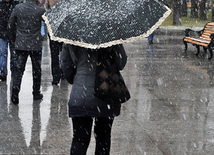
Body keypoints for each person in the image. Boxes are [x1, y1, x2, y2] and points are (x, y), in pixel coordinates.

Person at [62, 44, 128, 155]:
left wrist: (77, 79)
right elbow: (121, 63)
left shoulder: (72, 37)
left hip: (80, 95)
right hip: (106, 94)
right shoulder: (111, 35)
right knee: (103, 138)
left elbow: (66, 66)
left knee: (80, 139)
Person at [8, 0, 45, 104]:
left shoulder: (18, 8)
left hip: (21, 43)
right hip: (35, 45)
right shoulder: (40, 10)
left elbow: (10, 25)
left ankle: (15, 93)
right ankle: (36, 92)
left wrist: (13, 39)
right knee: (36, 70)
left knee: (18, 69)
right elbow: (48, 23)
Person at [0, 0, 19, 81]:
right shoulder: (1, 4)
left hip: (13, 34)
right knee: (3, 54)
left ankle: (13, 72)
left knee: (13, 55)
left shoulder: (16, 4)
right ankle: (3, 73)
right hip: (2, 33)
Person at [45, 0, 63, 85]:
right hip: (62, 29)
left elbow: (46, 8)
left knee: (54, 54)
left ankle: (56, 77)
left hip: (52, 30)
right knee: (63, 52)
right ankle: (63, 72)